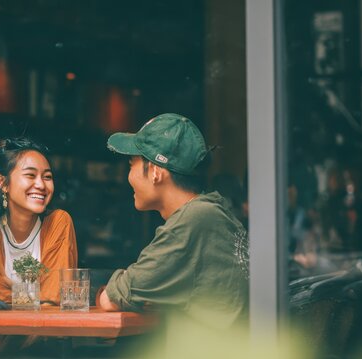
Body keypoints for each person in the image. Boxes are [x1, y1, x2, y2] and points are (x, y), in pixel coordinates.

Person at [98, 113, 249, 341]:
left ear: (157, 172)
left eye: (132, 165)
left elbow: (110, 298)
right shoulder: (211, 210)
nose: (127, 176)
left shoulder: (195, 220)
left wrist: (117, 290)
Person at [0, 137, 78, 306]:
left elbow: (55, 298)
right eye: (30, 175)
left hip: (48, 331)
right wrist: (38, 293)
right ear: (3, 183)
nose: (41, 184)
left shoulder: (58, 222)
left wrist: (7, 284)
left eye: (47, 177)